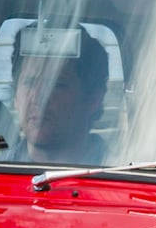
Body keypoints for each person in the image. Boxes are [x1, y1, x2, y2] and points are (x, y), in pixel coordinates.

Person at [9, 25, 110, 164]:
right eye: (29, 83)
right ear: (15, 96)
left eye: (57, 85)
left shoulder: (126, 173)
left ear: (93, 99)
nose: (38, 98)